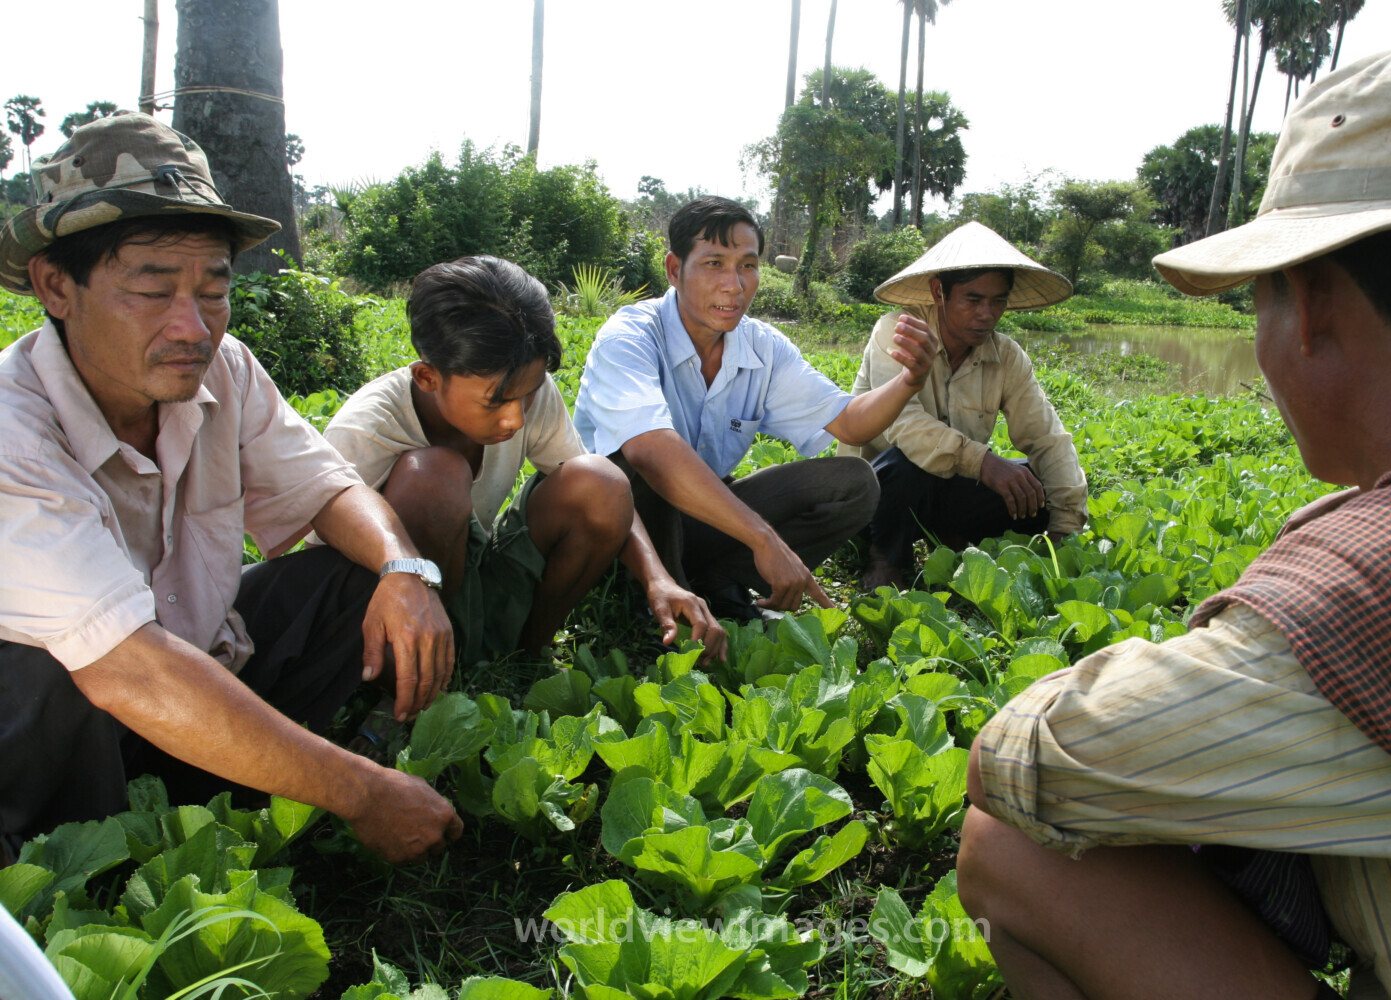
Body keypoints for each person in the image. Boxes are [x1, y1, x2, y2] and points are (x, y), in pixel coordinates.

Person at [956, 43, 1391, 1000]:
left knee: (1008, 845)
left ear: (1314, 307)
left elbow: (1026, 759)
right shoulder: (895, 345)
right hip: (933, 491)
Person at [0, 112, 461, 866]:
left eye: (213, 289)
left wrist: (404, 570)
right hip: (82, 712)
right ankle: (68, 855)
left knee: (357, 577)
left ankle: (221, 778)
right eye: (152, 289)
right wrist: (363, 794)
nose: (193, 326)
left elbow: (325, 489)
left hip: (194, 666)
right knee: (42, 664)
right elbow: (126, 667)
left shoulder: (225, 369)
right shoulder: (13, 432)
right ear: (57, 286)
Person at [322, 255, 725, 663]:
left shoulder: (527, 388)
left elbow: (605, 495)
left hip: (478, 570)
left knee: (600, 482)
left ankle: (523, 657)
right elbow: (322, 567)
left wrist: (658, 580)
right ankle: (406, 682)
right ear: (428, 378)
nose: (515, 418)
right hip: (396, 595)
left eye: (526, 394)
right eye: (495, 401)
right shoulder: (367, 428)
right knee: (433, 475)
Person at [573, 196, 939, 619]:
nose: (735, 284)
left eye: (747, 265)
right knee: (634, 463)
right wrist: (762, 537)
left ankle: (715, 584)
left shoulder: (763, 346)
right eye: (714, 264)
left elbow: (852, 424)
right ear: (675, 270)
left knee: (855, 481)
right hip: (623, 531)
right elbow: (649, 449)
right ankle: (664, 603)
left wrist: (909, 380)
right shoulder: (631, 336)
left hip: (701, 517)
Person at [843, 223, 1087, 588]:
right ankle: (884, 555)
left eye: (998, 301)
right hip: (879, 494)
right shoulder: (898, 331)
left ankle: (950, 534)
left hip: (948, 484)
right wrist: (983, 461)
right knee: (904, 463)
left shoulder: (1006, 356)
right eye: (973, 300)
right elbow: (903, 426)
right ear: (939, 292)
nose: (987, 314)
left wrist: (1065, 528)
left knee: (1034, 483)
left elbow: (1047, 437)